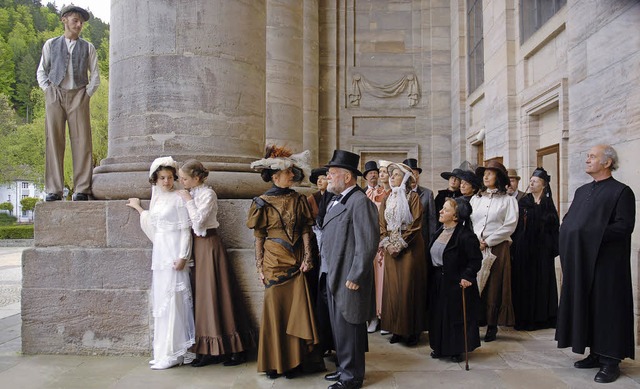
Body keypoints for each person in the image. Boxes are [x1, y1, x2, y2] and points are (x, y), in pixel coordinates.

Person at [556, 145, 636, 384]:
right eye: (588, 156)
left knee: (607, 308)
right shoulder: (582, 191)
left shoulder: (622, 192)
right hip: (581, 261)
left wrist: (587, 234)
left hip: (608, 264)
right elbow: (571, 220)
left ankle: (611, 360)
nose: (587, 159)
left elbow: (624, 227)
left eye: (592, 156)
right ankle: (595, 352)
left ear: (607, 163)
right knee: (588, 305)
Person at [246, 146, 324, 379]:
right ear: (275, 175)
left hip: (297, 260)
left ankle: (298, 361)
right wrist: (259, 267)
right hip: (273, 262)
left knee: (297, 310)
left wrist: (308, 258)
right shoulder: (260, 202)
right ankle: (276, 363)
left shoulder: (299, 199)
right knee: (276, 312)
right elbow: (259, 237)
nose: (292, 175)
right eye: (288, 172)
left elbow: (306, 231)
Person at [176, 159, 256, 367]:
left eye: (184, 178)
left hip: (209, 245)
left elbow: (199, 222)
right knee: (201, 296)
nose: (181, 182)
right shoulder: (191, 194)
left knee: (216, 294)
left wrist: (187, 200)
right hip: (196, 248)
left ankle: (233, 348)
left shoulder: (207, 194)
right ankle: (207, 348)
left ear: (196, 178)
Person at [126, 156, 195, 370]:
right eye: (162, 178)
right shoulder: (157, 198)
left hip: (174, 252)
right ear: (155, 179)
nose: (166, 182)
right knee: (162, 302)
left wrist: (183, 256)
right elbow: (152, 224)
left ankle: (174, 353)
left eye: (170, 177)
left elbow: (186, 229)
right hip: (161, 253)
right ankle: (163, 352)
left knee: (173, 300)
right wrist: (138, 208)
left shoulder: (179, 197)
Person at [320, 150, 379, 389]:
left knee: (350, 327)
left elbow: (367, 243)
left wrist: (356, 275)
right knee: (340, 328)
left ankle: (352, 377)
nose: (328, 177)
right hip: (335, 274)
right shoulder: (341, 199)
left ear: (347, 177)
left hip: (349, 276)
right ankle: (344, 368)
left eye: (332, 174)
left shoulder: (359, 201)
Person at [36, 5, 100, 202]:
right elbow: (42, 71)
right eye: (75, 21)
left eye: (81, 22)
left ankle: (81, 189)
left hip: (79, 94)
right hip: (55, 93)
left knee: (82, 142)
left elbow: (95, 75)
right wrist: (48, 90)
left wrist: (86, 94)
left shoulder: (88, 47)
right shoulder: (50, 44)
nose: (79, 25)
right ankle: (54, 190)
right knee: (54, 140)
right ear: (64, 20)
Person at [379, 162, 427, 347]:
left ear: (405, 178)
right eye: (391, 174)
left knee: (408, 288)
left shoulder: (413, 197)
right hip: (391, 248)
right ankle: (396, 329)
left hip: (410, 248)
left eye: (396, 174)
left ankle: (412, 330)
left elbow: (416, 224)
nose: (392, 177)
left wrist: (399, 245)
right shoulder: (387, 198)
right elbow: (381, 223)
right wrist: (388, 244)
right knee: (392, 289)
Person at [428, 197, 482, 362]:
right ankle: (439, 347)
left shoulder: (466, 236)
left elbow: (475, 260)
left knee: (454, 316)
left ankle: (455, 349)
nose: (441, 211)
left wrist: (467, 276)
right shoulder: (439, 231)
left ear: (456, 216)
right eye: (442, 208)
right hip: (438, 280)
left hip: (456, 282)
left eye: (445, 209)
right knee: (438, 315)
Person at [469, 160, 518, 342]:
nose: (486, 176)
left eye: (490, 173)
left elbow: (510, 225)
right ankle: (476, 320)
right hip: (476, 246)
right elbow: (471, 221)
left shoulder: (508, 201)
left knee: (494, 285)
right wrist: (476, 241)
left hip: (497, 247)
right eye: (485, 173)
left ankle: (492, 325)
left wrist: (488, 241)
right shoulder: (476, 199)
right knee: (475, 283)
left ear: (499, 177)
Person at [511, 168, 559, 331]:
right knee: (525, 283)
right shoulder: (523, 202)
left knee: (543, 282)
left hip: (542, 251)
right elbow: (516, 226)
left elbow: (554, 228)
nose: (531, 183)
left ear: (543, 185)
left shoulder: (548, 204)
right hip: (524, 250)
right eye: (530, 181)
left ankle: (542, 318)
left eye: (535, 181)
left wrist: (552, 248)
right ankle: (524, 318)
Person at [307, 167, 336, 357]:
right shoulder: (312, 198)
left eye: (324, 177)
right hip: (316, 249)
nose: (320, 181)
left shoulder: (334, 197)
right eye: (317, 178)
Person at [367, 160, 393, 334]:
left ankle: (386, 318)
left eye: (384, 172)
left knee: (386, 280)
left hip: (387, 242)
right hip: (372, 242)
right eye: (380, 171)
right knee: (373, 280)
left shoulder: (393, 194)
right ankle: (373, 317)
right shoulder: (368, 194)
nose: (381, 175)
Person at [403, 158, 437, 247]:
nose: (413, 177)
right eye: (410, 174)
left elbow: (432, 220)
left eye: (415, 174)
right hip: (403, 239)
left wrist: (432, 240)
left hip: (422, 238)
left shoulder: (427, 193)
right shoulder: (400, 193)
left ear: (418, 175)